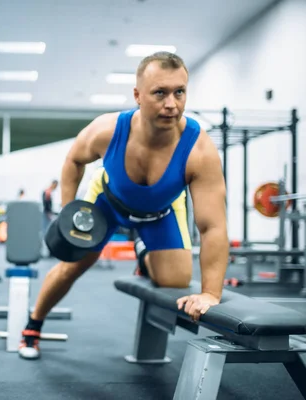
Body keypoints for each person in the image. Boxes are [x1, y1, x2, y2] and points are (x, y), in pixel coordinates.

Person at [19, 51, 228, 360]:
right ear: (138, 96)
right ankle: (33, 324)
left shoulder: (199, 149)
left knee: (175, 281)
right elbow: (74, 160)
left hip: (162, 211)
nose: (172, 103)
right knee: (72, 267)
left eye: (179, 92)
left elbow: (213, 227)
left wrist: (210, 292)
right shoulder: (107, 130)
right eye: (160, 93)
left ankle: (143, 253)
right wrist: (71, 211)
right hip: (108, 204)